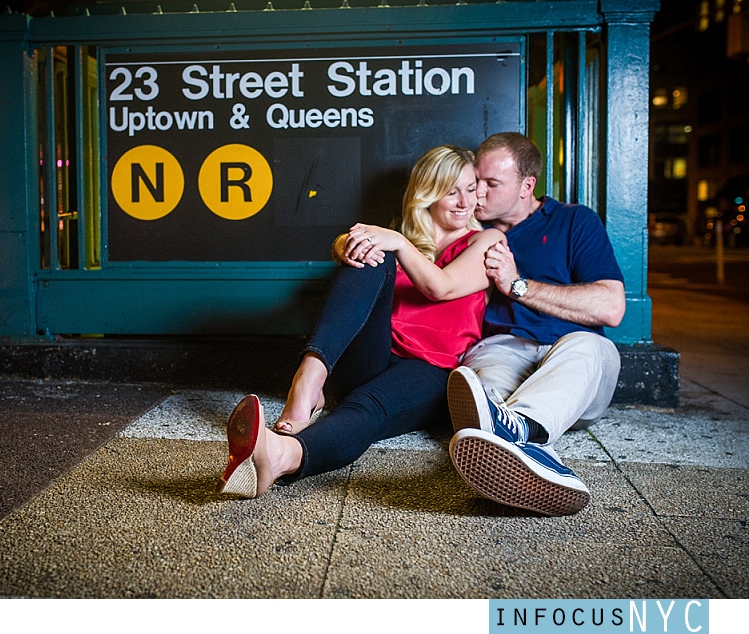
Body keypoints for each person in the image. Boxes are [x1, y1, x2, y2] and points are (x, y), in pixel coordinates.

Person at [216, 145, 506, 499]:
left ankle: (281, 456)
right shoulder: (394, 244)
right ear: (427, 193)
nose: (464, 201)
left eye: (471, 188)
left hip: (430, 369)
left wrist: (395, 241)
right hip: (371, 355)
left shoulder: (488, 241)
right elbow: (357, 252)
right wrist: (346, 245)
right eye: (450, 190)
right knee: (374, 258)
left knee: (367, 408)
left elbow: (440, 288)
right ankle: (310, 378)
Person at [447, 131, 626, 517]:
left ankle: (514, 430)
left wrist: (517, 286)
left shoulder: (574, 221)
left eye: (492, 185)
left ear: (527, 185)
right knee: (483, 393)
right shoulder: (467, 231)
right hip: (502, 349)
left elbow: (611, 307)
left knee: (591, 346)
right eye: (476, 182)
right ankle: (527, 448)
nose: (477, 195)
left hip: (575, 361)